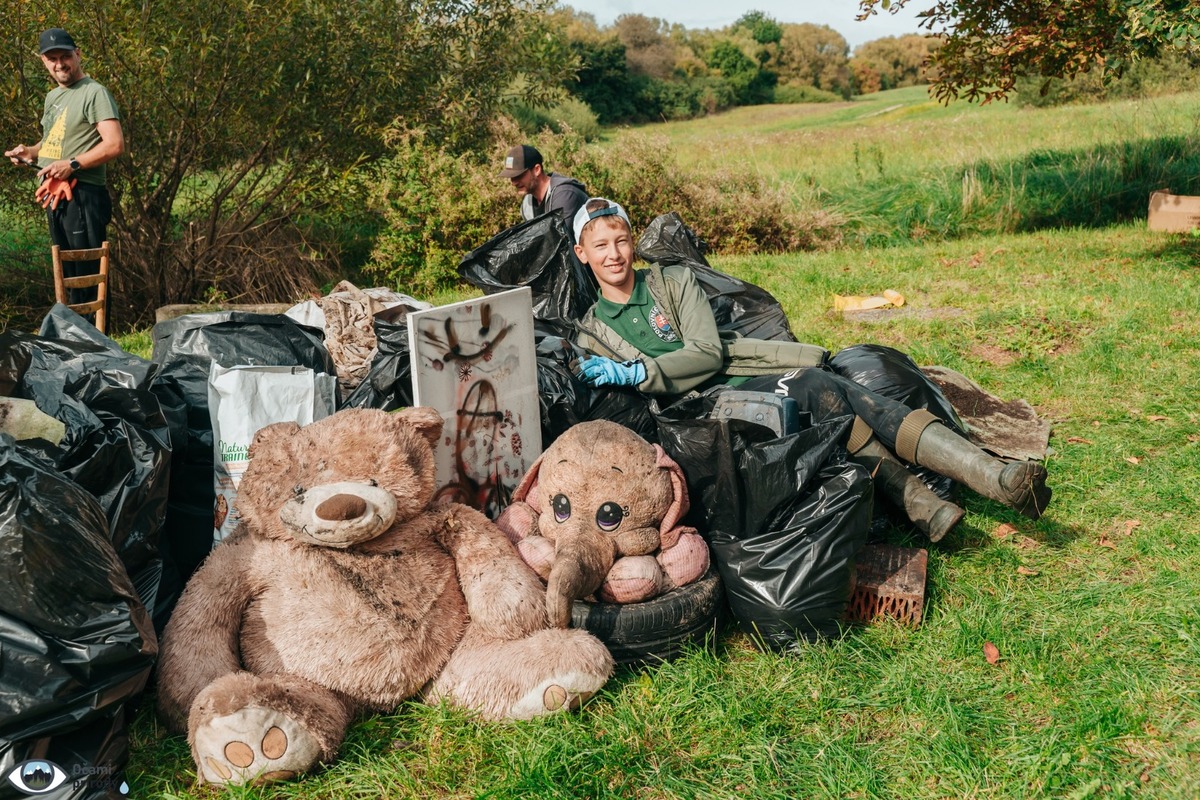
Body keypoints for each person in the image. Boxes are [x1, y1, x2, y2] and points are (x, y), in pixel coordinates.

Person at [568, 197, 1052, 542]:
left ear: (633, 244)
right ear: (582, 254)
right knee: (824, 388)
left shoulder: (673, 281)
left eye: (622, 240)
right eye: (602, 246)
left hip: (737, 376)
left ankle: (955, 493)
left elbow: (707, 354)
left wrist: (638, 372)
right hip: (702, 414)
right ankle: (958, 488)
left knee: (836, 395)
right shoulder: (592, 332)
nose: (614, 254)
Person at [5, 27, 124, 316]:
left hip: (83, 194)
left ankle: (95, 343)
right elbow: (52, 142)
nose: (60, 64)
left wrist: (71, 165)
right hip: (55, 195)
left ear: (78, 54)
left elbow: (114, 144)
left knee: (86, 274)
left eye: (65, 56)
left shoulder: (95, 93)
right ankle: (73, 343)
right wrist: (29, 153)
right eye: (52, 58)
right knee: (66, 273)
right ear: (43, 61)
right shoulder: (53, 97)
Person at [499, 144, 588, 238]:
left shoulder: (564, 195)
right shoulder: (527, 204)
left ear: (537, 170)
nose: (514, 183)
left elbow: (559, 241)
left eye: (519, 176)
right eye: (511, 177)